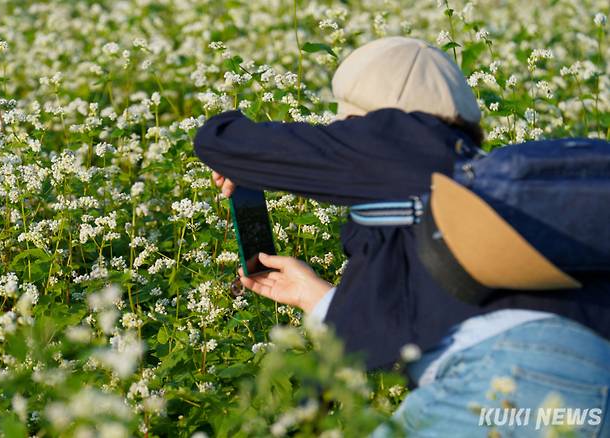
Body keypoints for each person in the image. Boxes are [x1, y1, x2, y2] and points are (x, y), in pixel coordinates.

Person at [193, 37, 610, 434]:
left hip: (509, 380)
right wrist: (315, 298)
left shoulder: (394, 141)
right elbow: (429, 314)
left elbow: (223, 142)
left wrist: (235, 150)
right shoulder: (469, 179)